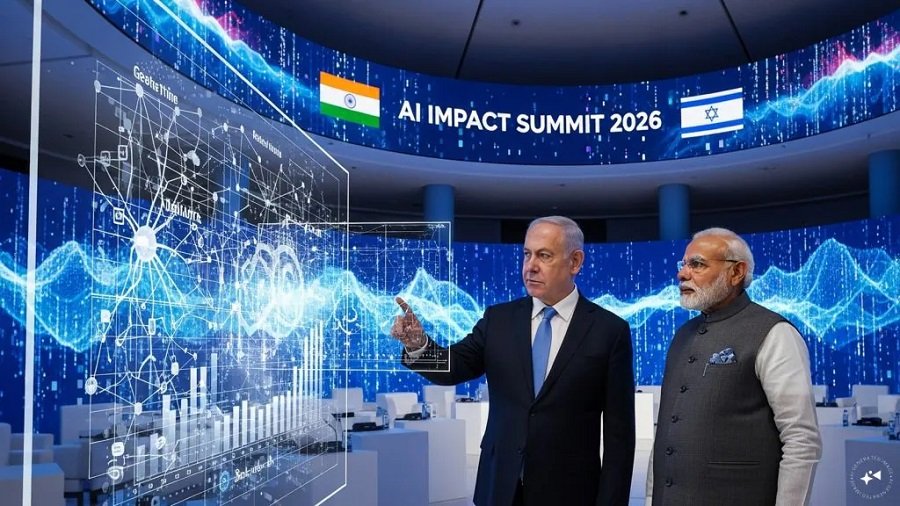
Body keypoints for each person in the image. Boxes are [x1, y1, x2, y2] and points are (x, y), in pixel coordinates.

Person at [391, 216, 635, 506]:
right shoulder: (499, 320)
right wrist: (418, 345)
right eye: (527, 254)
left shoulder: (609, 331)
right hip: (499, 487)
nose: (530, 266)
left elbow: (620, 437)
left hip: (571, 492)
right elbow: (454, 367)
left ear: (575, 262)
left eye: (544, 255)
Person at [649, 227, 821, 505]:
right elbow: (666, 435)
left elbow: (801, 440)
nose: (682, 274)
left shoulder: (775, 333)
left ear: (736, 272)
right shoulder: (682, 336)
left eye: (697, 264)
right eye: (684, 264)